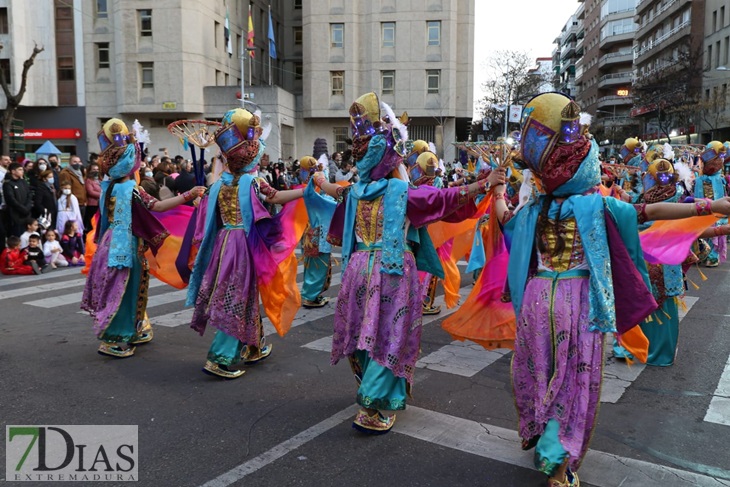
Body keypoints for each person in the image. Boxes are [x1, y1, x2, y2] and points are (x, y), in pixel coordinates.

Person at [488, 92, 730, 487]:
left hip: (535, 299)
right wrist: (709, 206)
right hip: (577, 300)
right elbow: (650, 212)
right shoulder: (598, 206)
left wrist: (496, 189)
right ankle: (559, 461)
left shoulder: (533, 209)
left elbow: (504, 221)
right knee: (572, 379)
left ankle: (540, 434)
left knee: (538, 370)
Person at [314, 92, 502, 434]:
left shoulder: (356, 191)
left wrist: (320, 182)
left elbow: (334, 197)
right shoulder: (400, 193)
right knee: (389, 333)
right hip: (391, 271)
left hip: (358, 269)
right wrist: (482, 185)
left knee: (363, 331)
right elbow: (443, 198)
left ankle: (373, 390)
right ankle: (374, 403)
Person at [187, 107, 305, 379]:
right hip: (242, 246)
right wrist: (307, 191)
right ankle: (219, 357)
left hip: (223, 242)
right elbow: (275, 197)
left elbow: (206, 219)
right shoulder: (253, 182)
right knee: (237, 299)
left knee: (244, 295)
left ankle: (254, 346)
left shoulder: (218, 184)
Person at [81, 118, 206, 358]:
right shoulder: (130, 189)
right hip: (125, 246)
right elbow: (157, 207)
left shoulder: (108, 186)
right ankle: (113, 339)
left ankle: (134, 329)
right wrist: (187, 195)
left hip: (110, 242)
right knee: (124, 290)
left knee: (127, 288)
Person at [299, 155, 336, 308]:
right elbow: (332, 204)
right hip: (319, 234)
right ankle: (310, 297)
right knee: (318, 266)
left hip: (309, 231)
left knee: (312, 265)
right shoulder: (315, 193)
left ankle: (310, 294)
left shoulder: (306, 189)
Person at [3, 162, 33, 237]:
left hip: (27, 215)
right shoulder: (8, 184)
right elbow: (11, 199)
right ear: (13, 171)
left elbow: (29, 194)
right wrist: (23, 209)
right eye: (19, 169)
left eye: (22, 170)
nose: (22, 171)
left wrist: (28, 207)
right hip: (15, 216)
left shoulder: (23, 182)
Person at [84, 162, 102, 234]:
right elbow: (91, 192)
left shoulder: (100, 180)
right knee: (92, 221)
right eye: (94, 169)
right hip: (92, 204)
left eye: (97, 169)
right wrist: (102, 195)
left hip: (100, 204)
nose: (96, 171)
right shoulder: (88, 181)